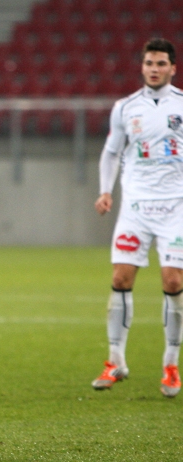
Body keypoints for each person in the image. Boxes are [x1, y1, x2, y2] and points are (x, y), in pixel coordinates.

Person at [92, 38, 183, 398]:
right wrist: (105, 191)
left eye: (161, 63)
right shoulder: (126, 107)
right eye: (149, 63)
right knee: (120, 276)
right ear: (142, 67)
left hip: (176, 207)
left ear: (172, 68)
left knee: (174, 282)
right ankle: (115, 360)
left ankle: (171, 365)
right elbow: (111, 151)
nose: (154, 68)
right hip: (135, 207)